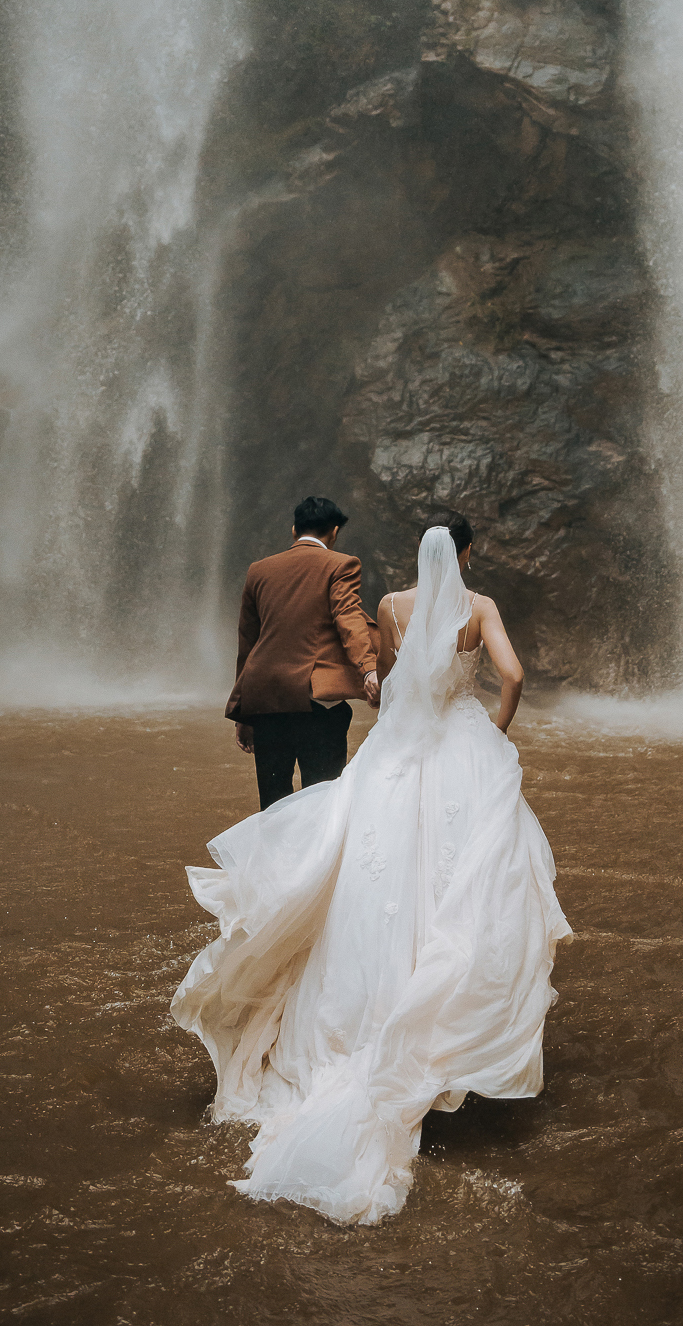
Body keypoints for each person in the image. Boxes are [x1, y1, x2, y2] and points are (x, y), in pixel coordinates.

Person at [172, 512, 572, 1225]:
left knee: (363, 876)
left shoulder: (389, 606)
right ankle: (452, 1048)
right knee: (470, 888)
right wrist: (496, 725)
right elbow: (511, 674)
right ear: (470, 551)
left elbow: (388, 681)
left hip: (398, 747)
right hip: (457, 745)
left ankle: (356, 1026)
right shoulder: (478, 608)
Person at [226, 496, 380, 810]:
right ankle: (313, 860)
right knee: (321, 799)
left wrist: (243, 710)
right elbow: (348, 616)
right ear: (334, 532)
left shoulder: (259, 570)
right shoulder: (341, 564)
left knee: (272, 801)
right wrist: (368, 668)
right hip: (317, 703)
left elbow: (248, 642)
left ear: (294, 529)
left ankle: (273, 859)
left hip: (266, 700)